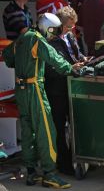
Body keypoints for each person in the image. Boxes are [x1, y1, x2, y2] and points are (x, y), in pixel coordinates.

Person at [2, 13, 82, 189]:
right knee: (46, 131)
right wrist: (71, 69)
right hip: (35, 89)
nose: (54, 34)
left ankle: (31, 172)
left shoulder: (22, 38)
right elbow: (54, 58)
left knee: (27, 130)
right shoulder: (38, 40)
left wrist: (24, 63)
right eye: (53, 30)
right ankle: (49, 174)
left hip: (20, 90)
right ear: (48, 27)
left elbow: (8, 57)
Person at [45, 6, 87, 176]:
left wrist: (83, 59)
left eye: (73, 26)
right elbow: (50, 69)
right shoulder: (49, 42)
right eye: (69, 26)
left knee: (76, 125)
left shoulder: (70, 36)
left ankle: (80, 158)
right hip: (57, 91)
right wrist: (70, 68)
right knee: (60, 128)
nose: (71, 29)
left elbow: (76, 55)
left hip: (73, 87)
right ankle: (64, 163)